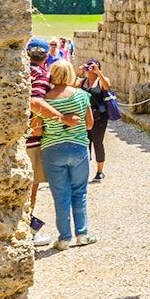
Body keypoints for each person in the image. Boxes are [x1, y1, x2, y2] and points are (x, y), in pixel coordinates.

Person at [27, 37, 82, 248]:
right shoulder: (40, 75)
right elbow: (35, 102)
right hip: (31, 139)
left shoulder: (25, 72)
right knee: (30, 187)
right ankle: (27, 230)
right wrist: (63, 118)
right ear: (45, 57)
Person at [38, 60, 96, 250]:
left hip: (52, 149)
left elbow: (39, 129)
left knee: (60, 195)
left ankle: (64, 238)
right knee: (79, 192)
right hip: (78, 147)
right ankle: (82, 234)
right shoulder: (81, 96)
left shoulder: (45, 99)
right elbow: (89, 124)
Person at [77, 59, 113, 181]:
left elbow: (107, 87)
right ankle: (84, 170)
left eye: (93, 67)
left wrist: (99, 73)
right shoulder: (82, 82)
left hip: (99, 118)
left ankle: (100, 171)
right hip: (84, 117)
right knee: (84, 143)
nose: (91, 69)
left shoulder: (101, 81)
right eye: (89, 67)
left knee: (98, 142)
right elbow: (69, 84)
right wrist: (78, 71)